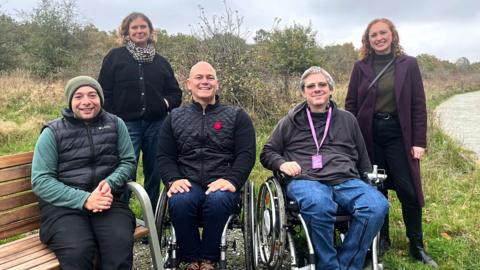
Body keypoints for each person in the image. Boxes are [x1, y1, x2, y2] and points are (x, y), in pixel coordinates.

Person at [261, 66, 389, 270]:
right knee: (319, 203)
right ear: (303, 92)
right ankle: (328, 265)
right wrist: (282, 163)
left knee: (377, 206)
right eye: (310, 86)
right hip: (306, 180)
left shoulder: (348, 119)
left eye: (322, 85)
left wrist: (367, 182)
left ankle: (347, 264)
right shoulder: (290, 121)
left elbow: (363, 159)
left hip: (345, 179)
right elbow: (267, 152)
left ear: (330, 89)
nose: (317, 89)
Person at [345, 18, 438, 267]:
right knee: (376, 189)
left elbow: (418, 104)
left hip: (399, 134)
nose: (378, 38)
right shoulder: (360, 66)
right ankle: (381, 240)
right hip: (369, 135)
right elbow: (351, 104)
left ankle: (416, 245)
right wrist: (351, 139)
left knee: (408, 189)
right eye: (373, 35)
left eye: (382, 33)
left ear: (392, 35)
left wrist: (419, 141)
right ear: (368, 40)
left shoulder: (408, 64)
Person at [157, 61, 256, 270]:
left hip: (222, 179)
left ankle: (209, 260)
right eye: (199, 78)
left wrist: (232, 180)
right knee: (180, 201)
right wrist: (173, 180)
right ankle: (193, 259)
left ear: (217, 84)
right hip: (188, 180)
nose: (205, 81)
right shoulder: (174, 118)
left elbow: (246, 154)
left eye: (210, 77)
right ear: (189, 83)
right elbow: (164, 156)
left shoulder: (237, 116)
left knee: (219, 200)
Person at [31, 76, 137, 270]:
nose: (86, 101)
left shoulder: (116, 124)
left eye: (92, 95)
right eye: (78, 96)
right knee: (78, 251)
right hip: (63, 208)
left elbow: (128, 161)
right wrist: (85, 199)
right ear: (70, 101)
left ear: (101, 99)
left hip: (108, 201)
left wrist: (110, 184)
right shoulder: (52, 132)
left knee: (119, 244)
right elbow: (41, 180)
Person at [98, 12, 182, 208]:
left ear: (151, 31)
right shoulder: (115, 57)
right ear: (126, 32)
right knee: (126, 171)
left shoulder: (161, 62)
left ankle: (151, 218)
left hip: (157, 125)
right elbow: (103, 91)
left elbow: (176, 93)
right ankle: (122, 215)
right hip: (126, 126)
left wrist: (164, 104)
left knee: (155, 172)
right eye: (134, 27)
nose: (139, 31)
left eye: (143, 27)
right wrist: (112, 117)